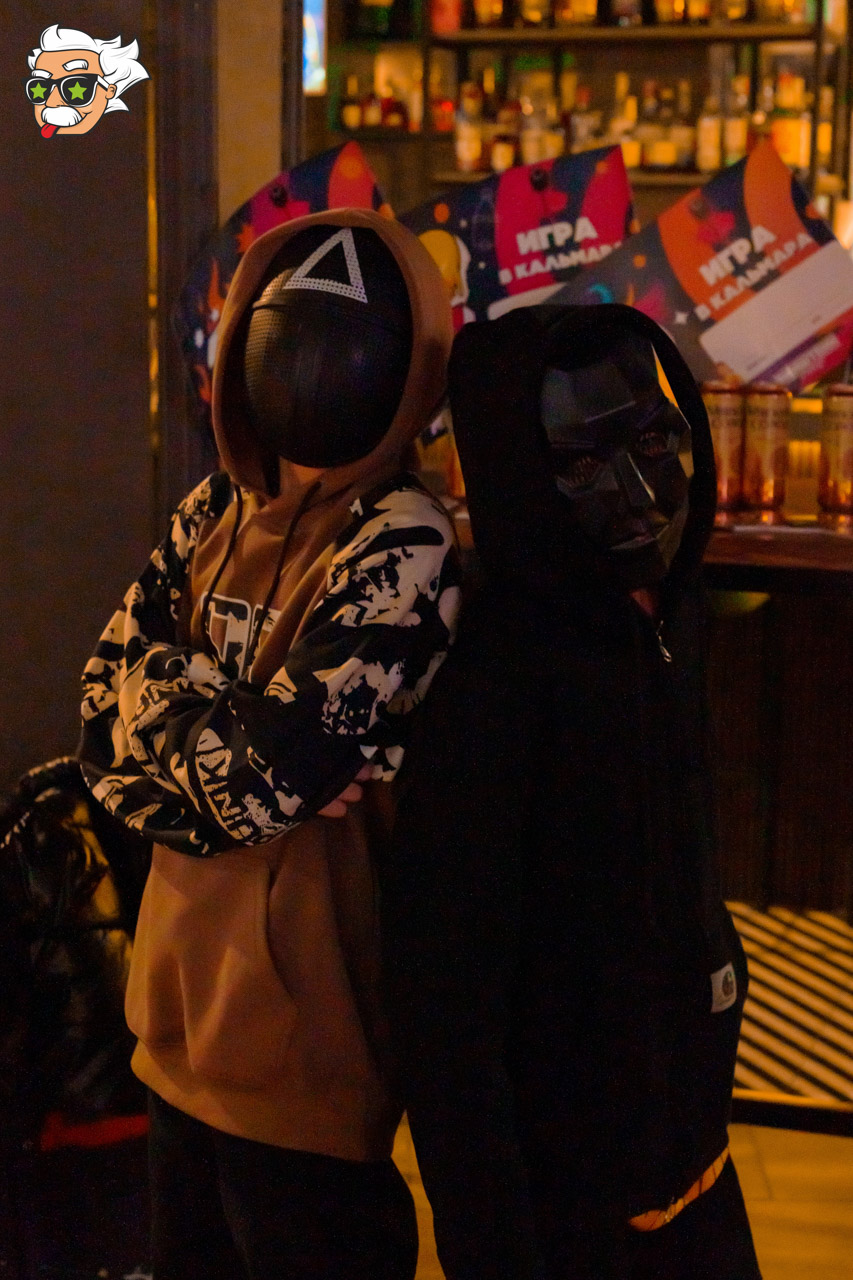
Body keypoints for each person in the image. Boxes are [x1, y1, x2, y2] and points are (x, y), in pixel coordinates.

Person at [77, 208, 460, 1280]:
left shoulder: (402, 539)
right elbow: (98, 721)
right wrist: (234, 727)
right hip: (170, 1026)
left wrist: (178, 705)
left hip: (306, 1058)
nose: (312, 365)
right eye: (286, 333)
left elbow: (257, 782)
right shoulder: (214, 509)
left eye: (348, 343)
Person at [381, 303, 763, 1280]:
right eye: (583, 463)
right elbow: (446, 1017)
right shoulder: (491, 686)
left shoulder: (662, 621)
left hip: (698, 1171)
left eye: (653, 442)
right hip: (573, 1221)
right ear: (515, 475)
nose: (637, 494)